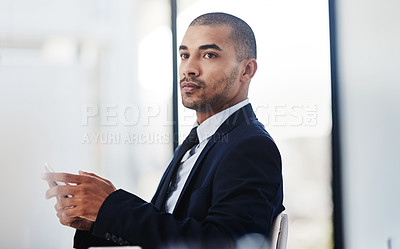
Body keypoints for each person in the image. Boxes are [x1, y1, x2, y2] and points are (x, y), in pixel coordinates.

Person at [43, 12, 284, 249]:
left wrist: (112, 206)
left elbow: (226, 243)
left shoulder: (250, 147)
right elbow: (166, 231)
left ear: (247, 70)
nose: (189, 68)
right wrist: (99, 219)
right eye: (184, 54)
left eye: (209, 55)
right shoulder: (197, 142)